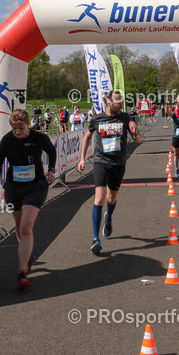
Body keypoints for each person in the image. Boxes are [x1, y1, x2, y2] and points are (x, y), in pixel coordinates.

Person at [0, 109, 57, 290]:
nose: (17, 132)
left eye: (20, 128)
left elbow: (51, 151)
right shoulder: (7, 139)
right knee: (19, 227)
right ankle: (27, 255)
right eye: (14, 128)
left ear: (28, 124)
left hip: (36, 185)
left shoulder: (38, 138)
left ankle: (22, 268)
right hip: (14, 187)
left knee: (26, 226)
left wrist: (51, 169)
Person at [78, 91, 141, 255]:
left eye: (121, 102)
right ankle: (95, 239)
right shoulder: (96, 119)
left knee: (111, 198)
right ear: (108, 102)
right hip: (101, 162)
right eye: (117, 102)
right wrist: (82, 159)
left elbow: (138, 140)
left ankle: (109, 217)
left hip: (118, 163)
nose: (120, 105)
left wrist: (135, 131)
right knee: (99, 198)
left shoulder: (126, 117)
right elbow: (87, 137)